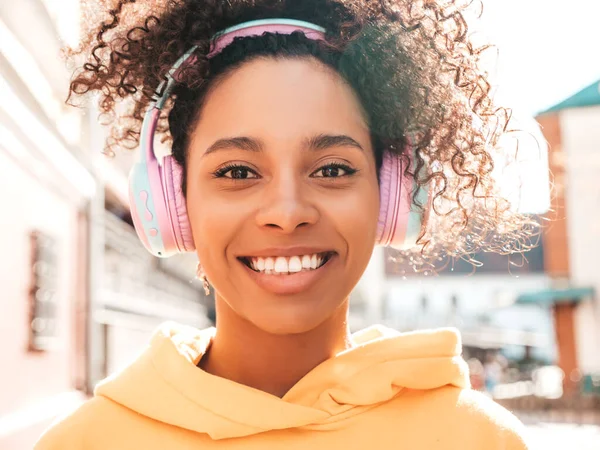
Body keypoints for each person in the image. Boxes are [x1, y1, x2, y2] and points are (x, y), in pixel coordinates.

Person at [36, 0, 534, 448]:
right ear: (174, 201)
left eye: (333, 169)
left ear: (393, 193)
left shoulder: (479, 440)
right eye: (237, 172)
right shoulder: (85, 442)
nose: (287, 212)